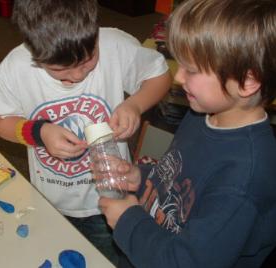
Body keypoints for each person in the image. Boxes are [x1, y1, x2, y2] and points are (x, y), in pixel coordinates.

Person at [0, 0, 171, 264]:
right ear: (34, 52)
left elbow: (161, 75)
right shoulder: (15, 67)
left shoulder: (115, 45)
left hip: (111, 198)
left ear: (95, 33)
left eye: (87, 62)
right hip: (50, 200)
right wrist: (40, 133)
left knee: (111, 259)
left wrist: (134, 104)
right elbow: (1, 123)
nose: (78, 76)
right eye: (61, 72)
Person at [96, 0, 276, 267]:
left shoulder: (243, 181)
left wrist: (128, 222)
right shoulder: (201, 113)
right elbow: (180, 182)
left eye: (191, 69)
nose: (179, 77)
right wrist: (141, 177)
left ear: (247, 82)